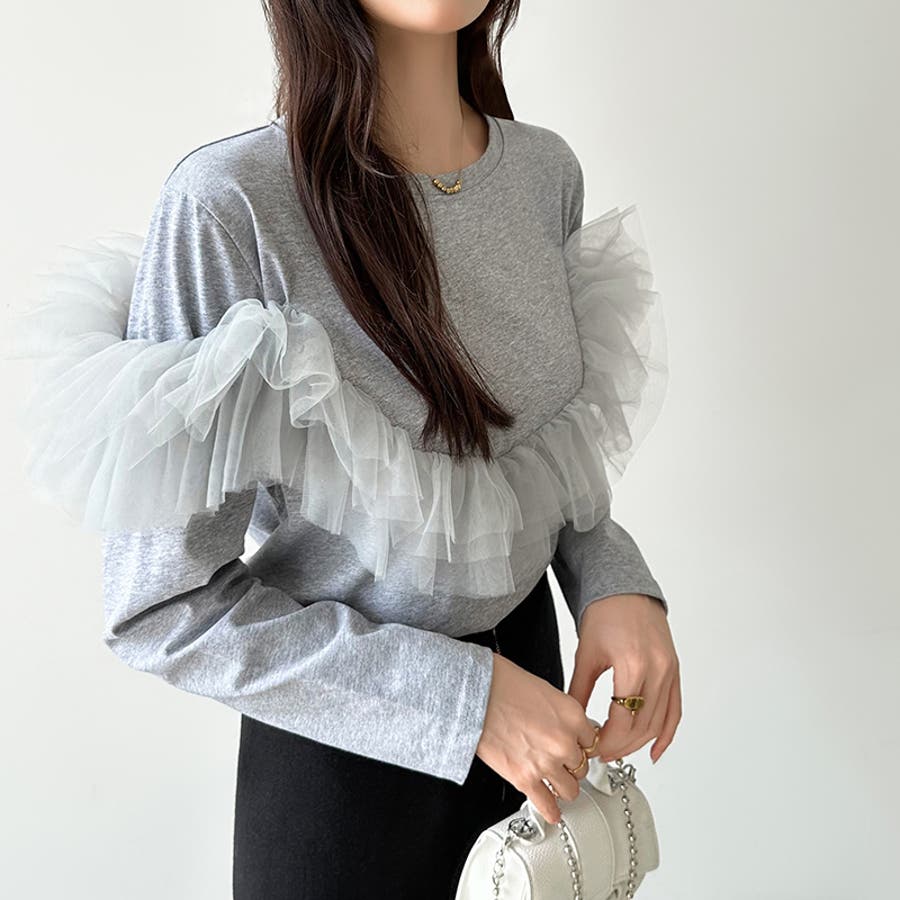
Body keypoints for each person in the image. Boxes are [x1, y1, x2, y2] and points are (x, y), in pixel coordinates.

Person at [7, 1, 682, 896]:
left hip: (541, 736)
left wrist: (612, 579)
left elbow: (539, 457)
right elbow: (161, 607)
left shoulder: (543, 175)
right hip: (344, 776)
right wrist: (467, 701)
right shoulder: (232, 204)